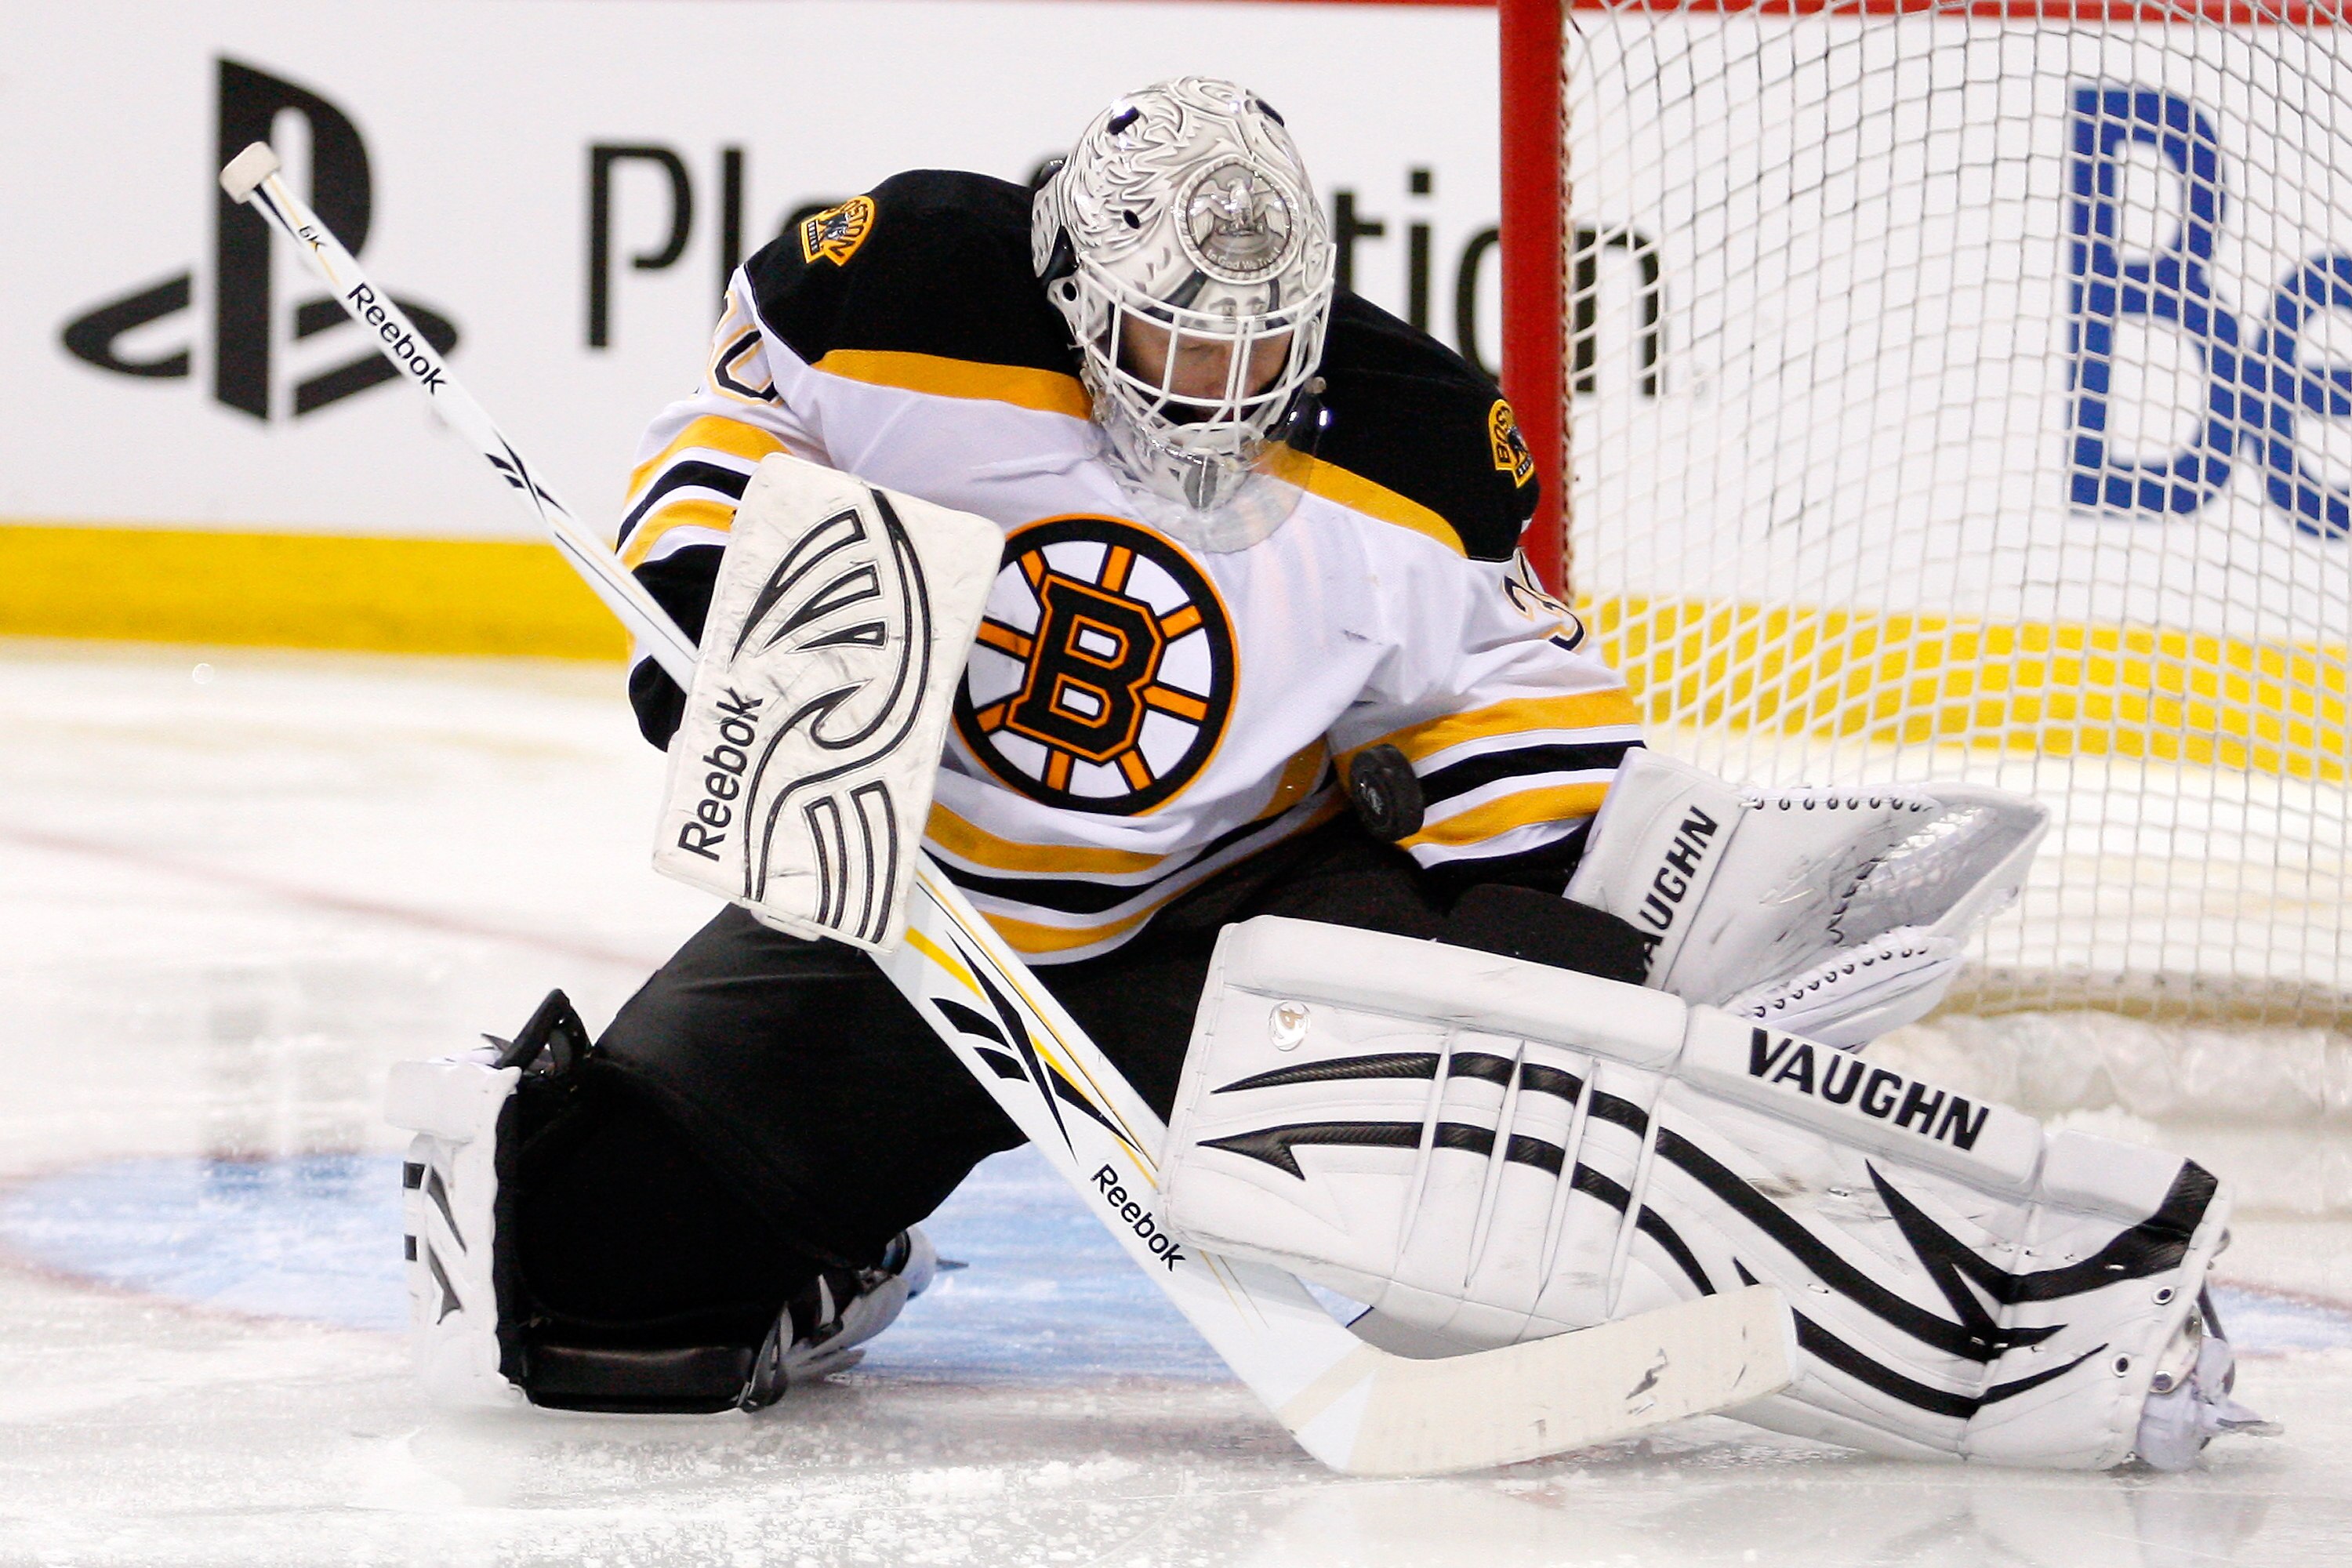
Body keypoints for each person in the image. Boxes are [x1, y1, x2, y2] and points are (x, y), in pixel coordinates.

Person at [420, 76, 1655, 1414]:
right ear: (1071, 285)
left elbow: (1510, 693)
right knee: (597, 1276)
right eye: (1173, 337)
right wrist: (705, 584)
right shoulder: (913, 292)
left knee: (1521, 1204)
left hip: (1228, 929)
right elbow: (746, 421)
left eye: (1257, 348)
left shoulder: (1415, 445)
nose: (1216, 390)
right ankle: (843, 1268)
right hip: (912, 912)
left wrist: (1535, 900)